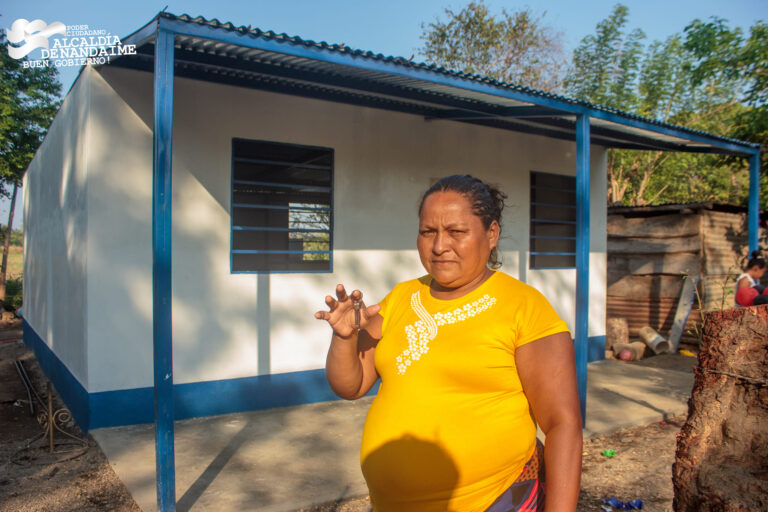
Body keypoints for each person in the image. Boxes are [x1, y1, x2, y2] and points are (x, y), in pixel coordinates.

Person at [316, 174, 582, 512]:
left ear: (492, 234)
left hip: (494, 500)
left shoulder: (524, 307)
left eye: (456, 232)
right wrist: (344, 339)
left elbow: (563, 425)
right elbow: (350, 385)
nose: (439, 246)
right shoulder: (401, 298)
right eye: (428, 232)